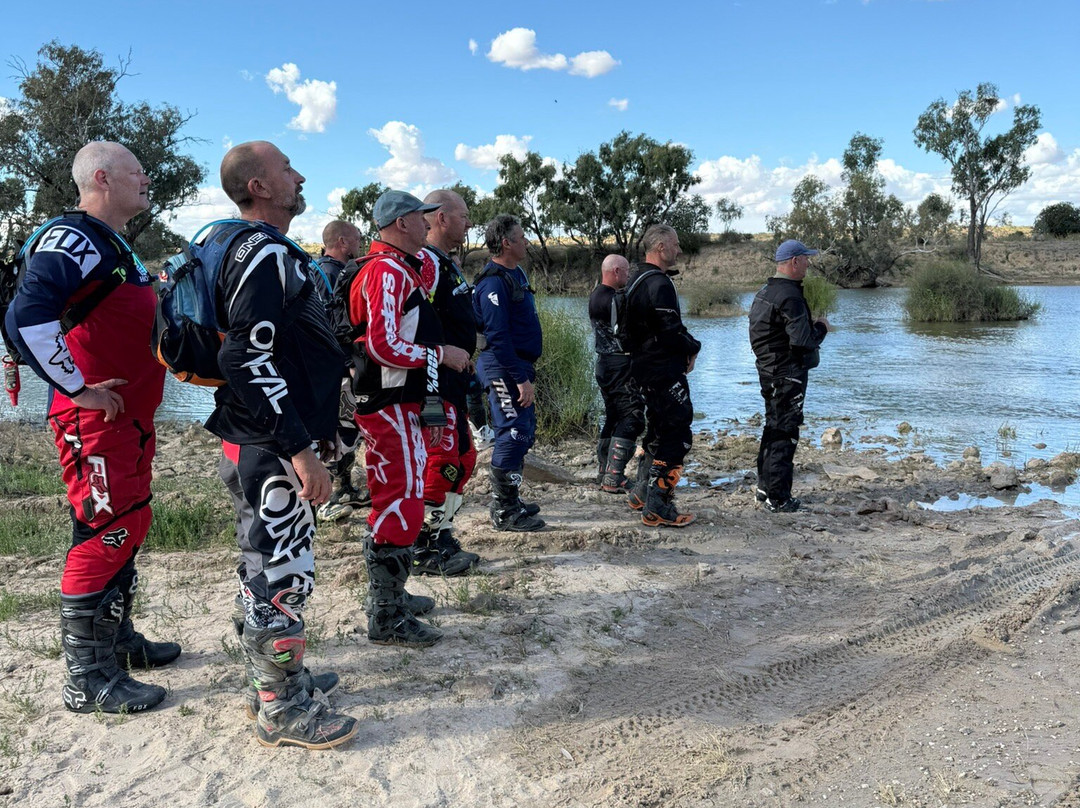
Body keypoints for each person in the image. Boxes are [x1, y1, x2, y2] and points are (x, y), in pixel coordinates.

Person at [4, 141, 179, 714]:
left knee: (130, 522)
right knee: (103, 531)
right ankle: (85, 677)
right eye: (137, 168)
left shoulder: (115, 244)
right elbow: (25, 318)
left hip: (129, 419)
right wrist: (79, 387)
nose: (147, 176)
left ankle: (116, 640)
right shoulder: (71, 238)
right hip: (92, 419)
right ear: (102, 177)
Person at [209, 140, 356, 749]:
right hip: (271, 445)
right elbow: (243, 354)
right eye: (287, 169)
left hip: (252, 439)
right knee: (282, 574)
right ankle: (281, 707)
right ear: (261, 187)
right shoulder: (264, 253)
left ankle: (272, 680)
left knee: (262, 564)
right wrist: (300, 449)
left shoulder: (233, 244)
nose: (300, 176)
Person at [346, 190, 469, 646]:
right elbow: (383, 346)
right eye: (422, 217)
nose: (429, 223)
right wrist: (442, 353)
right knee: (399, 501)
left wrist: (432, 402)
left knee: (406, 496)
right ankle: (386, 615)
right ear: (402, 224)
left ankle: (391, 596)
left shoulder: (403, 269)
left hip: (404, 403)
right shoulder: (386, 271)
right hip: (386, 405)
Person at [414, 189, 482, 575]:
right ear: (441, 218)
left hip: (455, 382)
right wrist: (438, 360)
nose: (469, 223)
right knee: (441, 461)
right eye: (464, 216)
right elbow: (414, 325)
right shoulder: (425, 262)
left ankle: (441, 532)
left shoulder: (446, 262)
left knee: (464, 458)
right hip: (433, 386)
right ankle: (423, 547)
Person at [622, 224, 701, 527]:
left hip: (643, 369)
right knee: (677, 434)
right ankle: (658, 505)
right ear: (660, 247)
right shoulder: (657, 284)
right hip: (661, 370)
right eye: (676, 244)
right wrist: (695, 347)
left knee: (657, 430)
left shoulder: (635, 278)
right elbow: (671, 332)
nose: (679, 250)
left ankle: (641, 492)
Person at [473, 214, 545, 532]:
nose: (526, 241)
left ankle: (512, 499)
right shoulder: (492, 282)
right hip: (502, 367)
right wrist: (519, 378)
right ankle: (502, 510)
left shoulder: (517, 275)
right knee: (513, 431)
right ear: (506, 243)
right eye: (521, 237)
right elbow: (497, 337)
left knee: (524, 431)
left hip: (518, 366)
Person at [748, 239, 831, 513]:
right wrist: (821, 328)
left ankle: (765, 488)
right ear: (794, 261)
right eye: (806, 259)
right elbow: (803, 342)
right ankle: (779, 498)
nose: (808, 264)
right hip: (787, 374)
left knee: (773, 426)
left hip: (768, 371)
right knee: (785, 431)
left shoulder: (765, 292)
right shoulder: (790, 296)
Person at [314, 219, 370, 522]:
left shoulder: (316, 270)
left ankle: (345, 488)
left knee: (346, 427)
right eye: (357, 238)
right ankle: (329, 496)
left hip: (329, 366)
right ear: (343, 242)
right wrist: (348, 364)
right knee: (345, 428)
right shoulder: (332, 275)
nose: (360, 243)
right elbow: (333, 326)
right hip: (337, 367)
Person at [588, 253, 645, 492]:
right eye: (627, 271)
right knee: (632, 416)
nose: (629, 276)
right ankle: (614, 476)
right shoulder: (614, 299)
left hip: (604, 363)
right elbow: (630, 331)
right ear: (616, 272)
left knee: (613, 415)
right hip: (619, 364)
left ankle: (604, 472)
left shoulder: (595, 295)